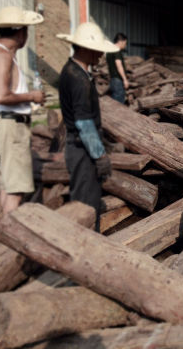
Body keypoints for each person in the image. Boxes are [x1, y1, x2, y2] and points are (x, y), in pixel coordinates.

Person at [0, 6, 45, 215]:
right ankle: (12, 234)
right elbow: (1, 96)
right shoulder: (2, 56)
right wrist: (32, 96)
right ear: (20, 31)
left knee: (8, 187)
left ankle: (4, 234)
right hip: (10, 126)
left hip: (3, 125)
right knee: (16, 190)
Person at [57, 22, 119, 230]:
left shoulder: (75, 72)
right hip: (82, 149)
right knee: (86, 205)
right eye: (97, 49)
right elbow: (84, 123)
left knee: (85, 199)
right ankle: (84, 247)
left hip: (78, 147)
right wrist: (99, 155)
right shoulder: (77, 79)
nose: (101, 54)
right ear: (84, 48)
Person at [106, 32, 129, 104]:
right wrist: (125, 79)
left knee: (114, 102)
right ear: (121, 42)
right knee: (118, 104)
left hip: (112, 79)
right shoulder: (116, 50)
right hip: (118, 80)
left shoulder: (109, 51)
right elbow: (118, 65)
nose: (125, 46)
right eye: (125, 43)